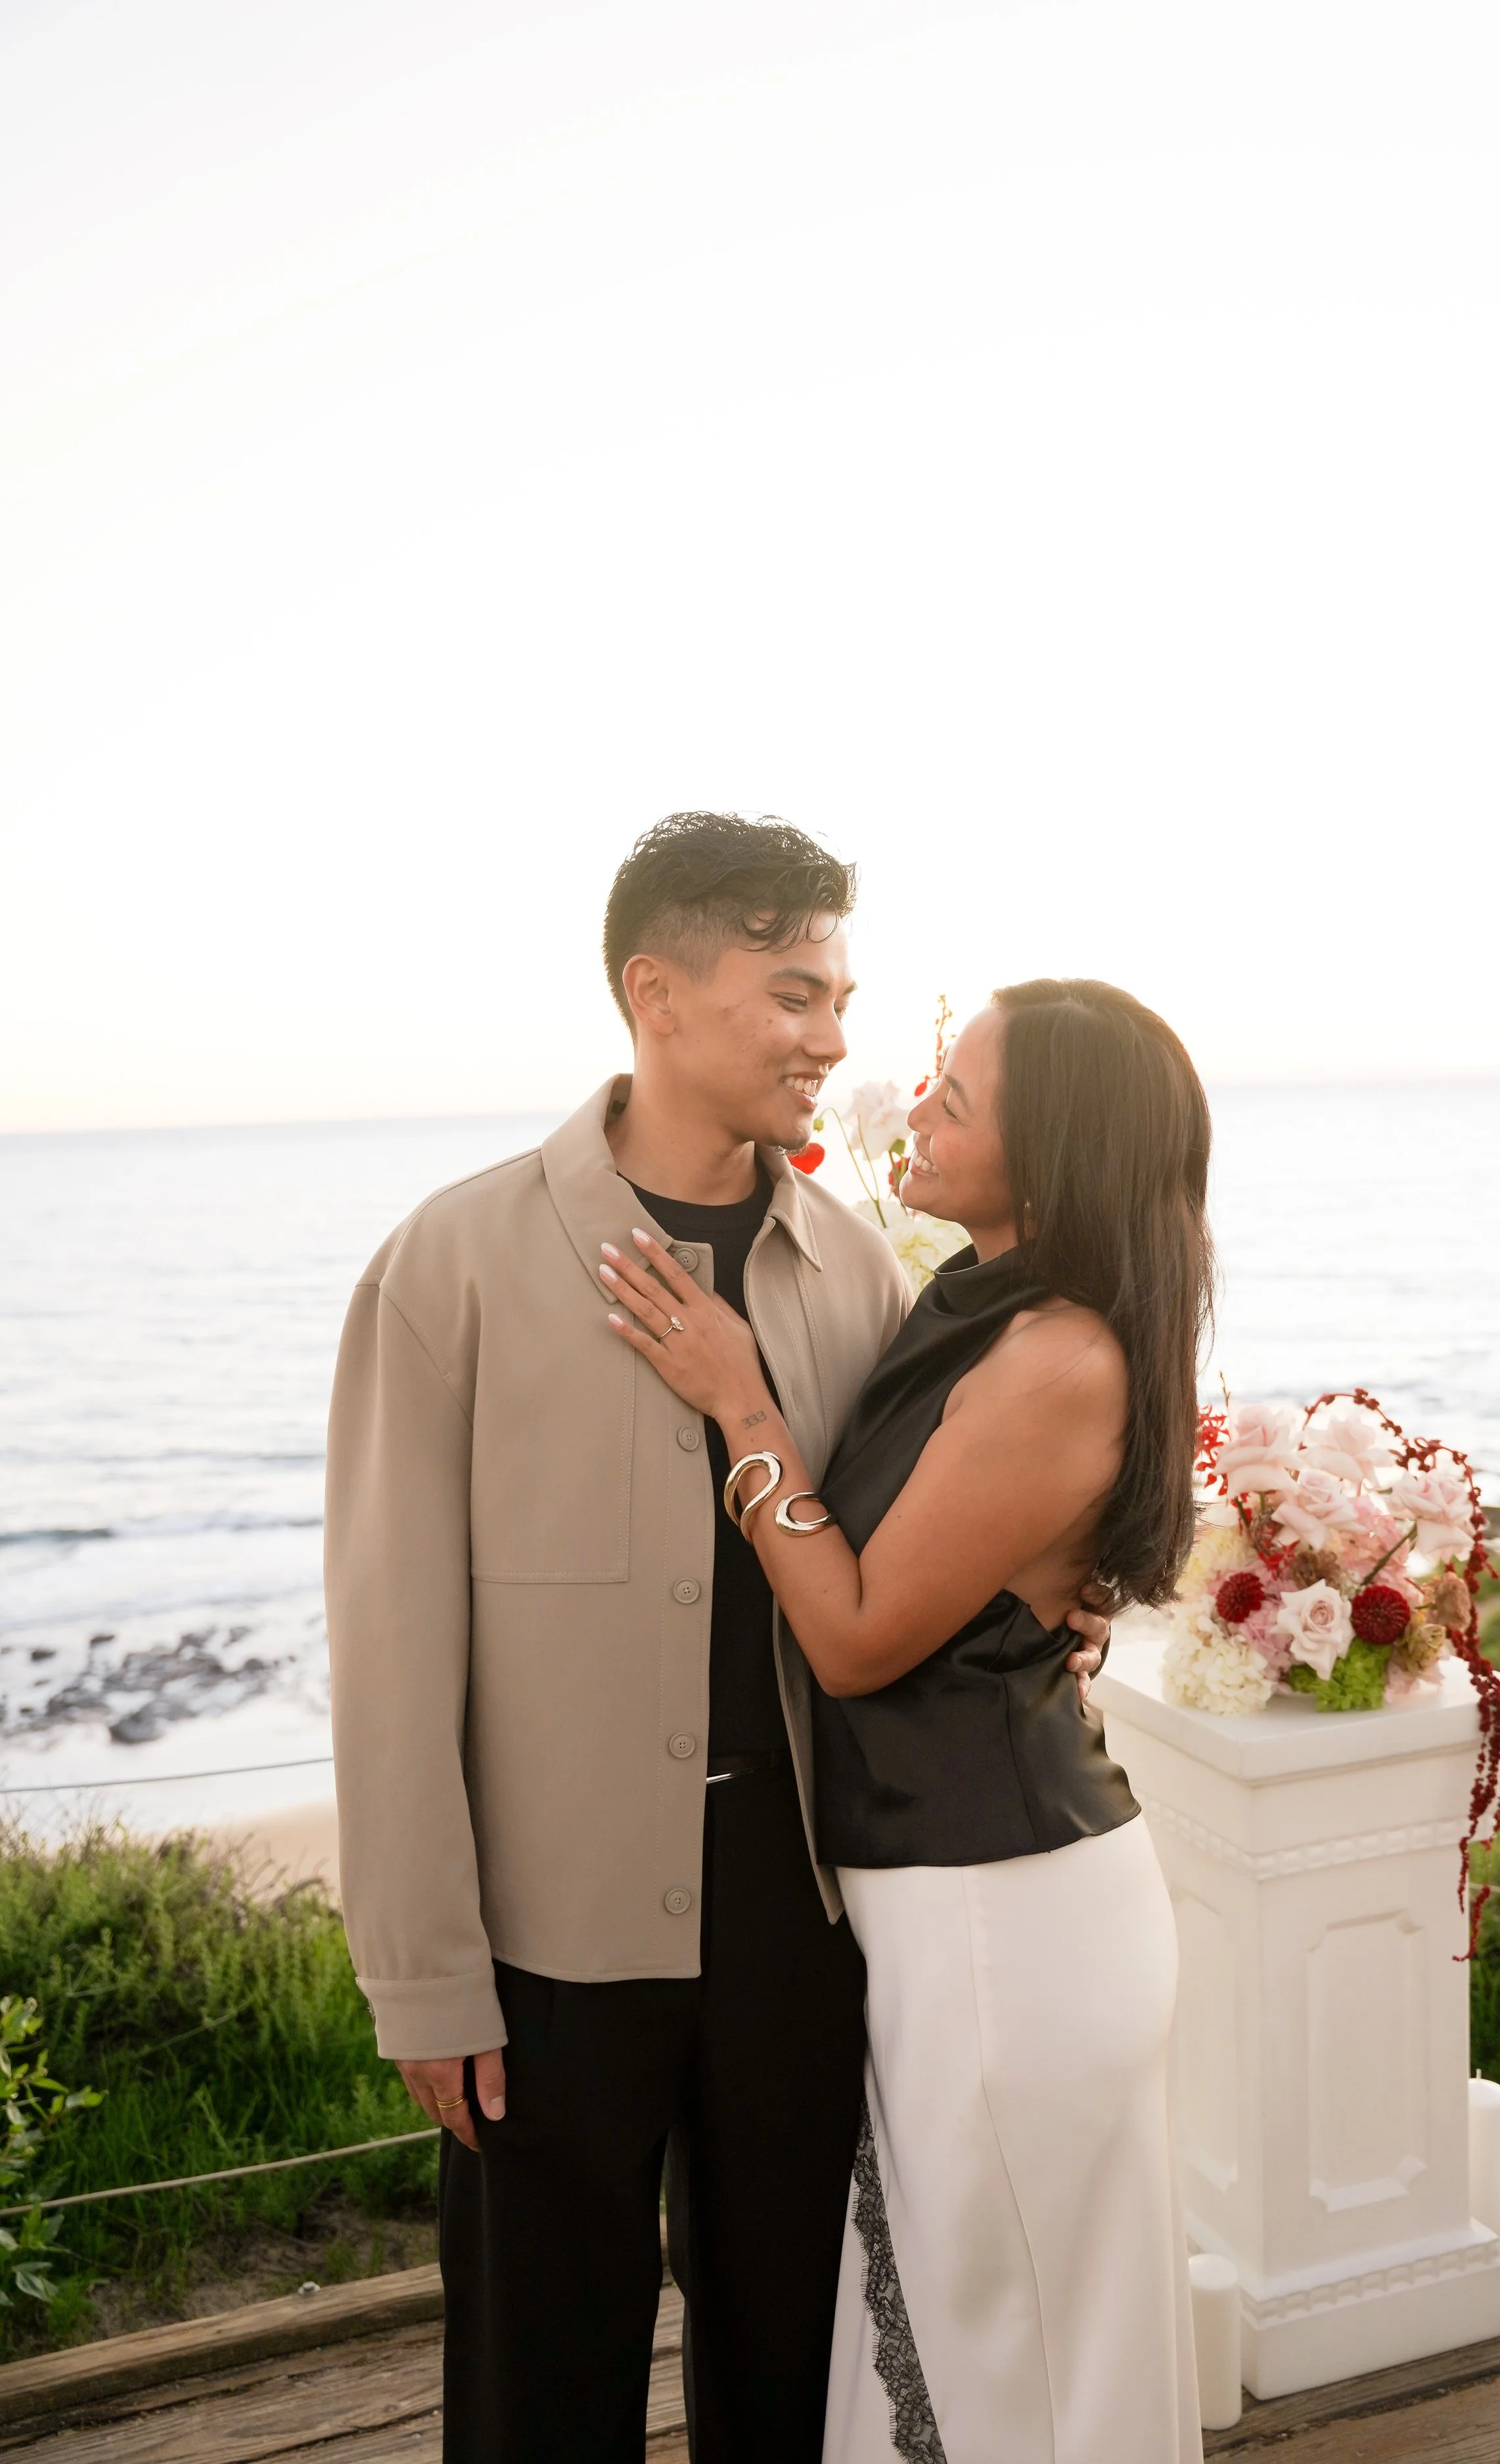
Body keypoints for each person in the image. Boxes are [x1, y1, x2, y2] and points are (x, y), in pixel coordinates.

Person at [324, 813, 1108, 2463]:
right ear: (655, 992)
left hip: (805, 1925)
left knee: (793, 2377)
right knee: (539, 2390)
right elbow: (389, 1649)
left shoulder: (855, 1275)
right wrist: (423, 1973)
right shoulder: (447, 1265)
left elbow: (918, 1548)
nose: (835, 1040)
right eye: (793, 993)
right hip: (544, 1949)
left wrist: (1059, 1592)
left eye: (842, 997)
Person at [600, 976, 1213, 2464]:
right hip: (952, 1908)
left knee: (1000, 2353)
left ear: (1050, 1148)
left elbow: (861, 1638)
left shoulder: (1057, 1354)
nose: (915, 1105)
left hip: (1004, 1918)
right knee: (965, 2328)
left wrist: (741, 1411)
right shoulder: (974, 1300)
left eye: (958, 1094)